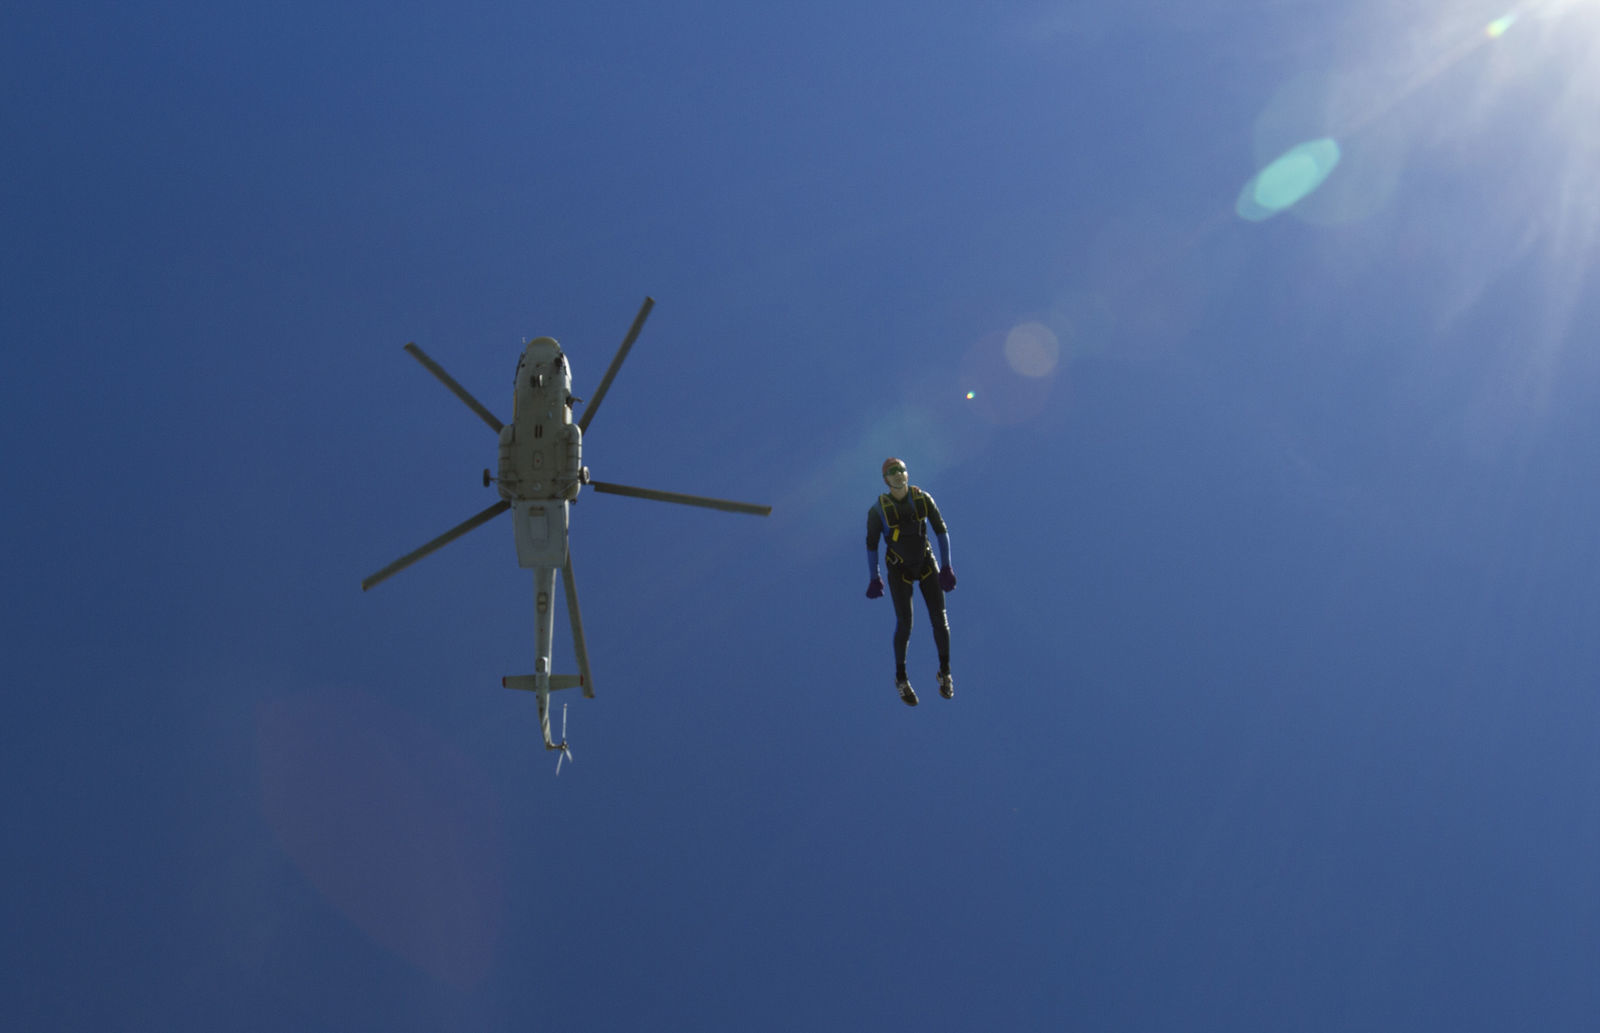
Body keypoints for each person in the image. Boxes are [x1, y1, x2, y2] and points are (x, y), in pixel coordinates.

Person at [866, 457, 956, 706]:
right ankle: (901, 678)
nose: (897, 474)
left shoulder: (922, 499)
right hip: (899, 570)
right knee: (905, 624)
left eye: (901, 470)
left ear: (907, 473)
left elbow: (941, 530)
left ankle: (945, 672)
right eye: (892, 472)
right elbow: (871, 545)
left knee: (940, 619)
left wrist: (946, 566)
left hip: (926, 563)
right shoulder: (878, 510)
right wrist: (874, 577)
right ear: (885, 479)